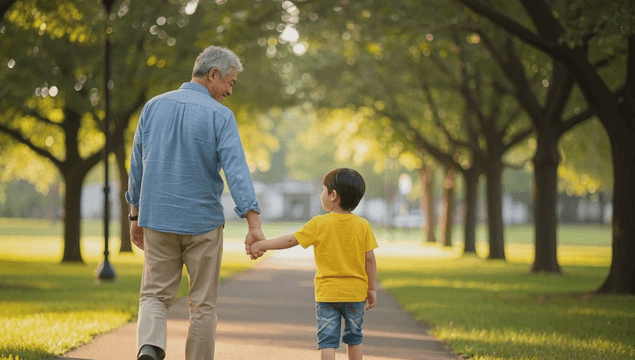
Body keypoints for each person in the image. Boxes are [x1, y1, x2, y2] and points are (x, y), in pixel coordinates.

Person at [125, 45, 266, 360]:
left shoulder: (152, 107)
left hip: (157, 220)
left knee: (154, 296)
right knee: (202, 305)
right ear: (212, 75)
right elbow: (237, 172)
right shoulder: (220, 116)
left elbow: (136, 167)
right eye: (229, 82)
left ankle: (150, 348)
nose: (229, 91)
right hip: (202, 224)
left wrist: (135, 217)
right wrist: (253, 224)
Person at [250, 168, 378, 360]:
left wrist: (262, 244)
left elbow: (290, 241)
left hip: (327, 294)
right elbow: (370, 259)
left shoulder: (319, 223)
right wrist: (372, 288)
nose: (321, 194)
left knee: (327, 341)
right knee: (354, 339)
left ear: (333, 196)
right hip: (355, 293)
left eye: (323, 190)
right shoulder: (363, 225)